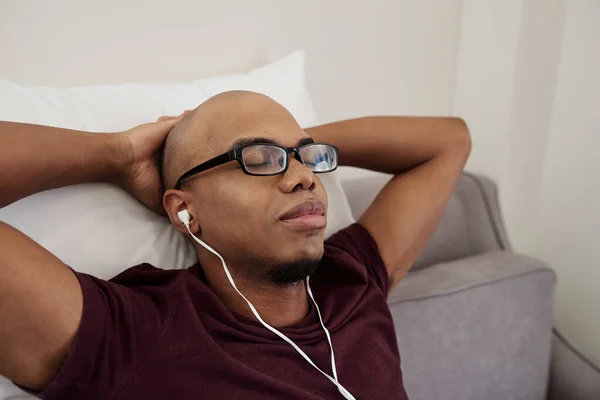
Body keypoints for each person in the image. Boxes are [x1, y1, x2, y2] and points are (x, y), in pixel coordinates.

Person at [0, 90, 471, 399]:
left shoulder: (352, 279)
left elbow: (450, 140)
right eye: (259, 159)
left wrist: (294, 141)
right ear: (185, 210)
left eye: (308, 159)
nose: (305, 177)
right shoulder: (134, 333)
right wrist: (119, 155)